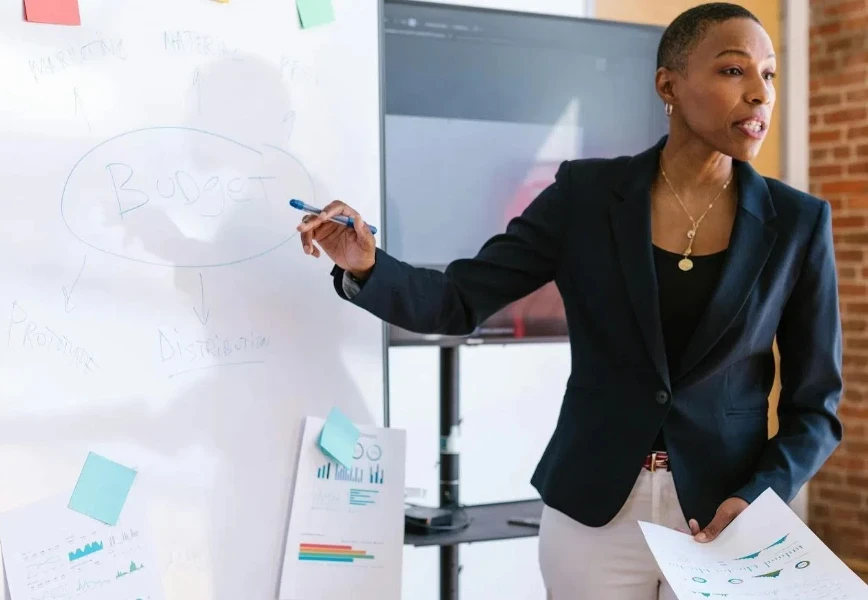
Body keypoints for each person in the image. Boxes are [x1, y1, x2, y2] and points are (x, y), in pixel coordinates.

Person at [296, 3, 843, 599]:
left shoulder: (799, 223)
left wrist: (757, 495)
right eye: (734, 71)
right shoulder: (585, 196)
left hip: (725, 520)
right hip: (593, 515)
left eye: (768, 74)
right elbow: (456, 300)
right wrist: (368, 265)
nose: (760, 94)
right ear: (669, 84)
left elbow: (815, 407)